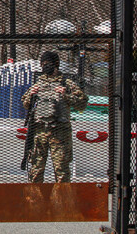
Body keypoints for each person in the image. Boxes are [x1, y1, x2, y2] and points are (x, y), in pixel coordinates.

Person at [22, 50, 88, 183]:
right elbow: (25, 103)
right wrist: (31, 96)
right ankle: (36, 201)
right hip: (39, 132)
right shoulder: (38, 84)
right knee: (35, 170)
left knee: (61, 170)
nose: (45, 66)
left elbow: (82, 104)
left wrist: (66, 95)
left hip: (60, 133)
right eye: (43, 64)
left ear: (56, 64)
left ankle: (62, 201)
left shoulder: (66, 83)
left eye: (48, 63)